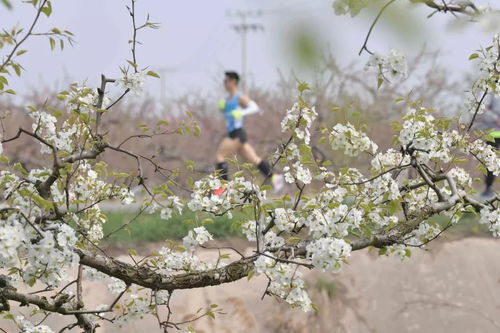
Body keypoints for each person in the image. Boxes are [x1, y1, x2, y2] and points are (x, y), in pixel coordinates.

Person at [214, 71, 284, 193]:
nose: (224, 84)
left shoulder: (239, 97)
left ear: (233, 82)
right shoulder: (227, 99)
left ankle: (225, 186)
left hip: (237, 133)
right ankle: (275, 178)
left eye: (226, 81)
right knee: (254, 159)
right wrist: (222, 108)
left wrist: (241, 112)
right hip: (234, 133)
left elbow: (255, 108)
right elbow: (229, 116)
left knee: (220, 155)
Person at [479, 94, 500, 198]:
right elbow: (484, 108)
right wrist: (496, 118)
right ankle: (488, 188)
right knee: (490, 161)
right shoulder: (492, 92)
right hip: (493, 133)